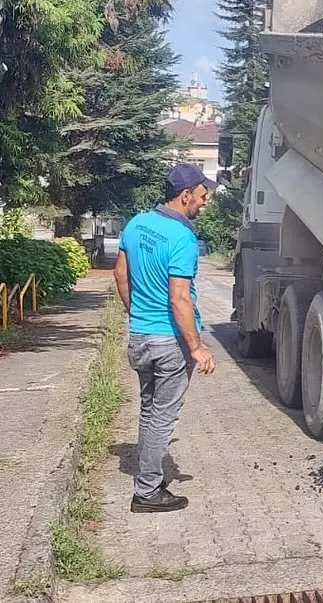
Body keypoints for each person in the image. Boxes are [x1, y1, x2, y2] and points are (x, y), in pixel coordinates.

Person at [113, 164, 217, 513]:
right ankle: (147, 491)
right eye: (202, 197)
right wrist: (197, 347)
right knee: (162, 417)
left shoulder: (136, 223)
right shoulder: (183, 238)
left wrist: (137, 314)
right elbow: (179, 298)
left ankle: (147, 476)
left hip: (140, 336)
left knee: (148, 409)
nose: (205, 203)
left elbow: (121, 274)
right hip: (168, 343)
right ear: (185, 194)